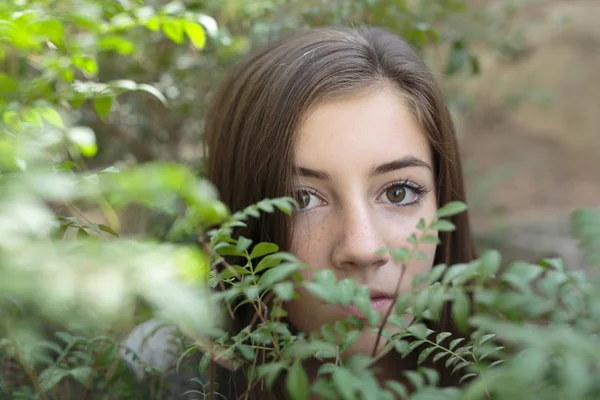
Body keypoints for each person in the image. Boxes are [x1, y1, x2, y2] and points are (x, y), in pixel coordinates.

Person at [203, 25, 477, 399]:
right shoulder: (159, 376)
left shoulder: (526, 372)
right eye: (301, 199)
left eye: (399, 192)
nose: (363, 249)